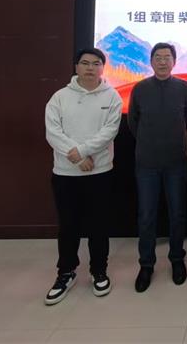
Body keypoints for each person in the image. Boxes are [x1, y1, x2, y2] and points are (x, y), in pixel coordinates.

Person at [43, 47, 122, 305]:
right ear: (76, 66)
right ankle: (66, 272)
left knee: (99, 225)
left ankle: (99, 271)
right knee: (68, 225)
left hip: (100, 172)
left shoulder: (112, 96)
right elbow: (53, 132)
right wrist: (77, 157)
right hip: (66, 173)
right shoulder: (60, 97)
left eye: (96, 63)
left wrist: (84, 151)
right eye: (85, 63)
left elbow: (110, 131)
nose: (90, 67)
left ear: (102, 68)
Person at [128, 43, 187, 292]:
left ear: (174, 62)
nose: (163, 61)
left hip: (176, 162)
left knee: (177, 214)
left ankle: (177, 260)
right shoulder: (140, 88)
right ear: (151, 61)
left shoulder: (184, 88)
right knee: (146, 215)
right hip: (146, 163)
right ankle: (146, 265)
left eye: (167, 57)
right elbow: (133, 122)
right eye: (158, 57)